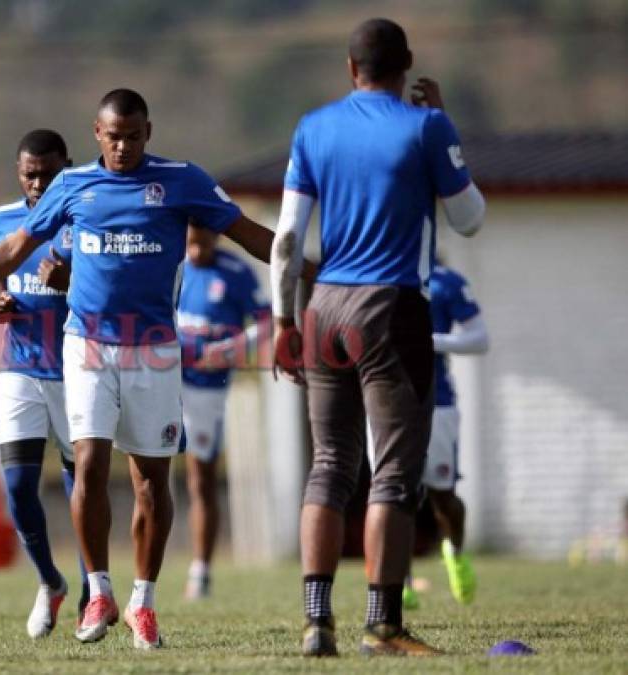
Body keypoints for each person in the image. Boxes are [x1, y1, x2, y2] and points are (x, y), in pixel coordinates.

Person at [0, 88, 289, 649]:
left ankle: (144, 602)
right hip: (85, 344)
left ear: (148, 132)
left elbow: (249, 234)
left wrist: (314, 270)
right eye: (113, 136)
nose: (123, 146)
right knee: (87, 462)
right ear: (96, 133)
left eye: (133, 136)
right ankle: (99, 591)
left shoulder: (181, 180)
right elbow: (15, 248)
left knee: (152, 483)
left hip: (155, 350)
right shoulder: (72, 185)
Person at [270, 18, 485, 657]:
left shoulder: (313, 128)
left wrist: (285, 320)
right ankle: (383, 625)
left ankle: (316, 622)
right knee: (393, 472)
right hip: (391, 307)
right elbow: (469, 220)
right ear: (407, 65)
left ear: (349, 68)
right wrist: (445, 127)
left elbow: (286, 240)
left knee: (330, 465)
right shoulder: (426, 126)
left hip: (324, 306)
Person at [0, 128, 89, 639]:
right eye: (30, 174)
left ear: (67, 166)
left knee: (82, 487)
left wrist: (71, 284)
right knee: (18, 486)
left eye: (49, 173)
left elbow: (108, 289)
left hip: (75, 370)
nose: (39, 183)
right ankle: (50, 582)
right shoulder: (1, 220)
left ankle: (96, 583)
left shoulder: (85, 216)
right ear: (18, 173)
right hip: (20, 369)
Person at [177, 223, 271, 599]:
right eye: (190, 242)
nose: (196, 249)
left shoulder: (235, 272)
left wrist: (234, 347)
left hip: (206, 389)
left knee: (200, 478)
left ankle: (201, 571)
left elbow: (266, 321)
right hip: (166, 381)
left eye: (202, 240)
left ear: (215, 236)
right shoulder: (171, 266)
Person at [401, 262, 488, 609]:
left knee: (443, 497)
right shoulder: (370, 271)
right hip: (384, 401)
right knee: (394, 494)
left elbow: (480, 339)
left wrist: (432, 340)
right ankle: (397, 581)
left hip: (438, 403)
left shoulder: (446, 281)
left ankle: (454, 551)